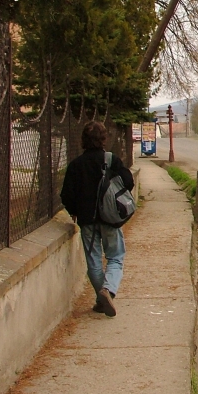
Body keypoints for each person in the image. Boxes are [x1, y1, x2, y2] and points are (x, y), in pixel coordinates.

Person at [60, 121, 134, 317]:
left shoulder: (76, 165)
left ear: (83, 140)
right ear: (103, 139)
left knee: (93, 260)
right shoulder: (111, 160)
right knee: (115, 257)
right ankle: (108, 290)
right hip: (109, 219)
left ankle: (100, 299)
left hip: (87, 220)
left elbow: (66, 195)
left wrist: (74, 210)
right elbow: (128, 182)